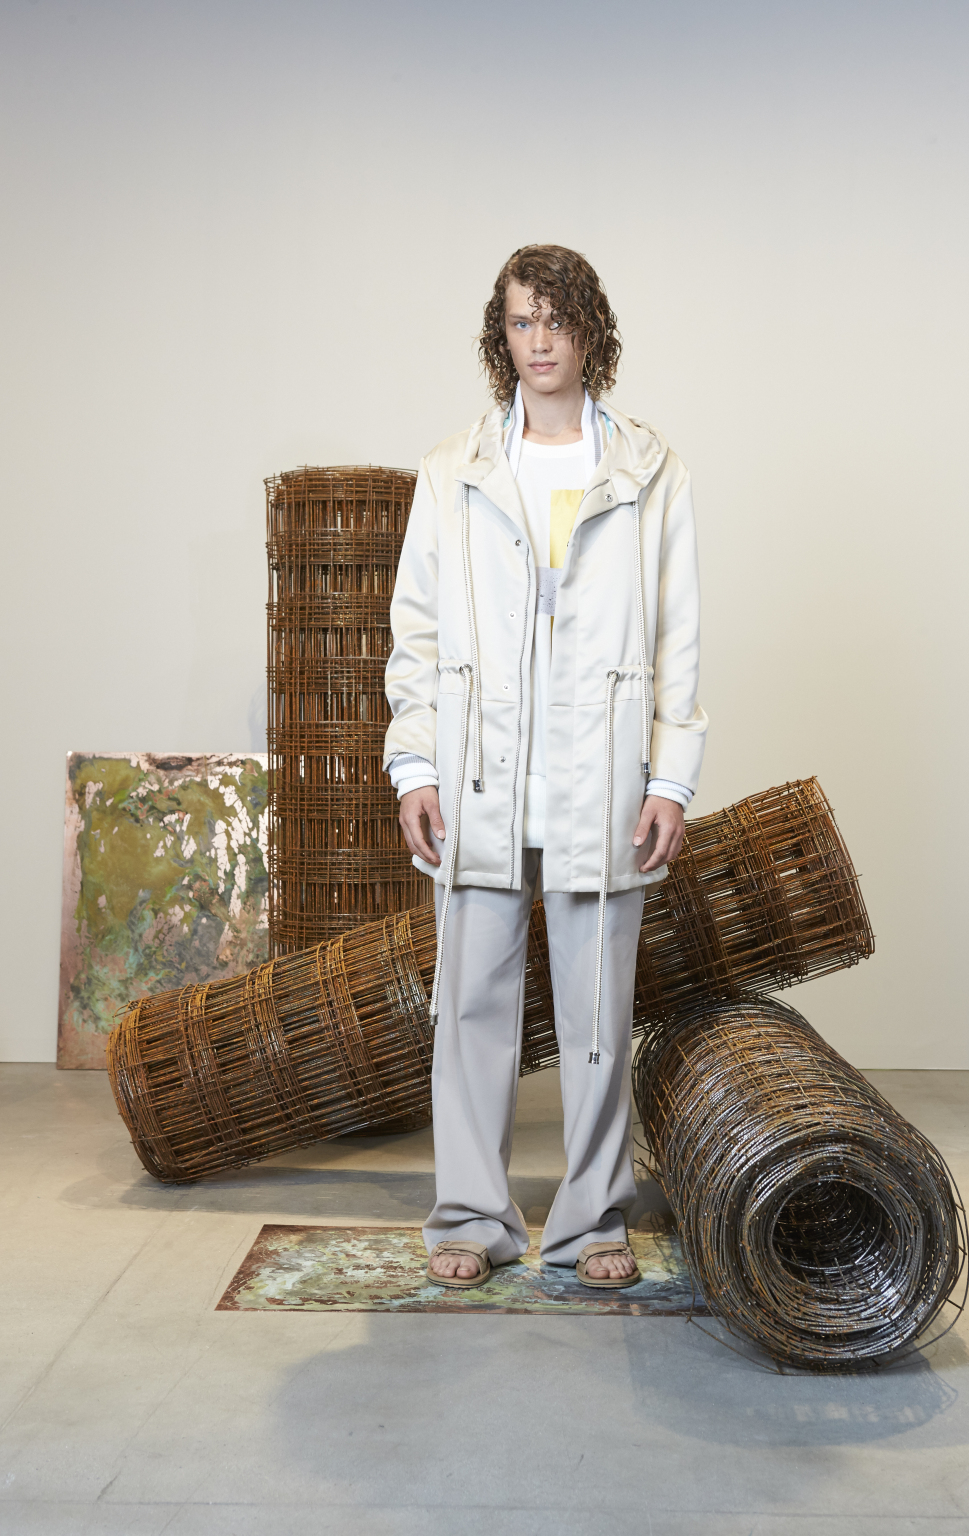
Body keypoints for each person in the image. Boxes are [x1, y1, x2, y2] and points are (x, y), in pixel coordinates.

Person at [383, 244, 707, 1288]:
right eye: (521, 322)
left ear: (589, 331)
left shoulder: (650, 470)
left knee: (597, 1015)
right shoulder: (455, 468)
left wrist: (670, 778)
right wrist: (414, 766)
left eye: (556, 321)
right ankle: (470, 1220)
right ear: (502, 335)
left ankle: (591, 1225)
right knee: (469, 1012)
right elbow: (415, 632)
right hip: (480, 777)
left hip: (600, 776)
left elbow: (678, 633)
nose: (539, 342)